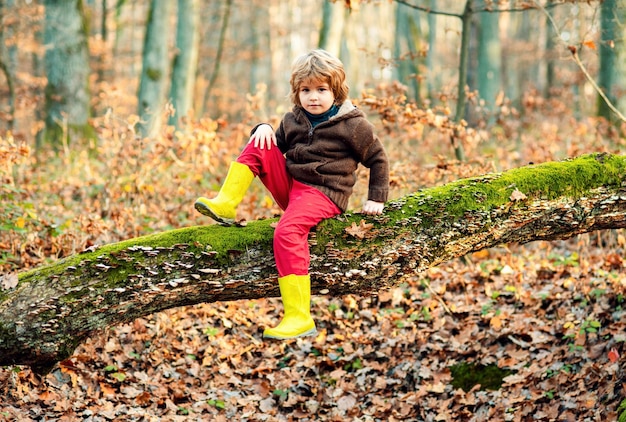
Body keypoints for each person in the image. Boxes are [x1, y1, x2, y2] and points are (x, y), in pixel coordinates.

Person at [194, 49, 389, 340]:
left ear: (336, 91)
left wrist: (376, 197)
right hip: (293, 189)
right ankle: (225, 203)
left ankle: (299, 316)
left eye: (321, 90)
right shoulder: (293, 119)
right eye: (306, 90)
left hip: (324, 194)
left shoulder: (353, 124)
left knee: (286, 232)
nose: (313, 97)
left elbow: (378, 158)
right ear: (296, 93)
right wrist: (260, 128)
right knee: (260, 141)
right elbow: (273, 147)